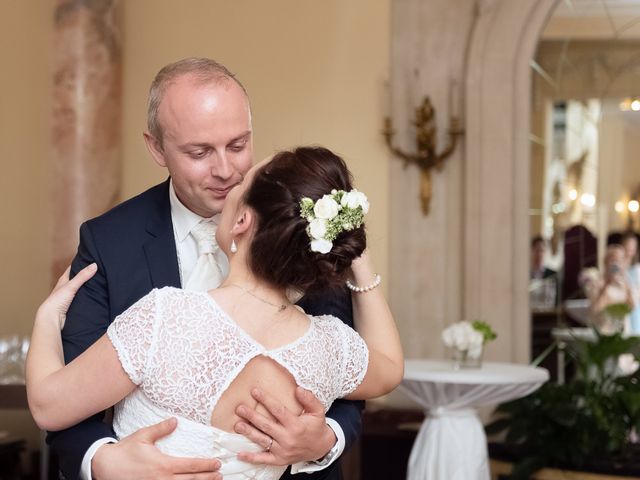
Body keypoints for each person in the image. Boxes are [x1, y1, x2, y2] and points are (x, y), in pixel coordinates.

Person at [47, 58, 365, 480]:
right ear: (157, 148)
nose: (226, 170)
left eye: (237, 145)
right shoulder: (108, 242)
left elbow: (350, 367)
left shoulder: (300, 220)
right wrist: (103, 461)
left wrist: (327, 438)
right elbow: (67, 390)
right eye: (199, 152)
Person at [27, 147, 404, 480]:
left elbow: (47, 406)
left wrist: (47, 319)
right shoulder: (328, 347)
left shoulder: (164, 318)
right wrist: (359, 259)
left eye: (239, 190)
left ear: (242, 221)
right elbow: (389, 366)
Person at [584, 244, 637, 334]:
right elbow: (594, 311)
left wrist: (627, 287)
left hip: (622, 332)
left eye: (620, 260)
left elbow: (632, 307)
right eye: (613, 259)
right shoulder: (596, 284)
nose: (616, 263)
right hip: (604, 332)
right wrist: (607, 286)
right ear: (606, 262)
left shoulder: (625, 285)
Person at [530, 236, 558, 310]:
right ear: (531, 251)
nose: (539, 254)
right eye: (536, 250)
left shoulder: (553, 274)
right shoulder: (525, 274)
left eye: (542, 250)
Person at [622, 231, 640, 333]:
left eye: (632, 247)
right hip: (620, 306)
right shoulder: (617, 268)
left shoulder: (637, 269)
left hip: (635, 308)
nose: (629, 250)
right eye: (627, 246)